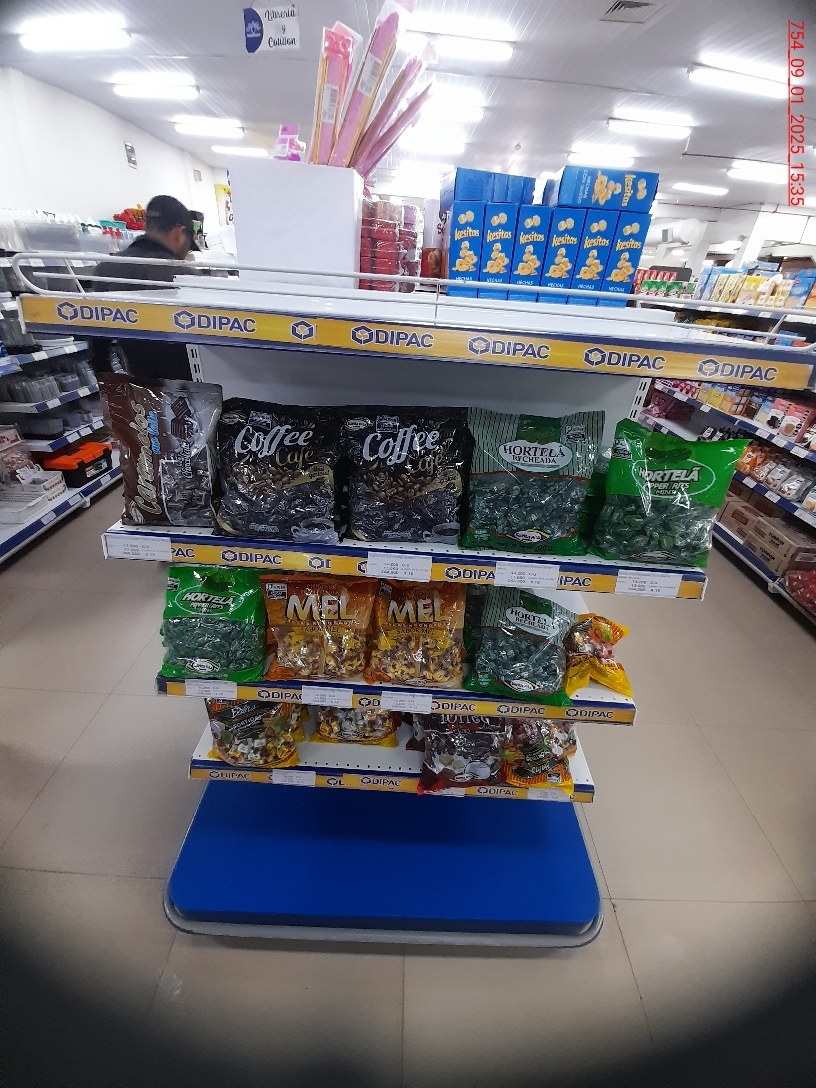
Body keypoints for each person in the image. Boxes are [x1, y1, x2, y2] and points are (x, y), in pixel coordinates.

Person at [91, 195, 200, 381]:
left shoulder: (106, 269)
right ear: (179, 234)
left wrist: (109, 382)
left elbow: (97, 341)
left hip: (139, 379)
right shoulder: (183, 275)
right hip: (190, 385)